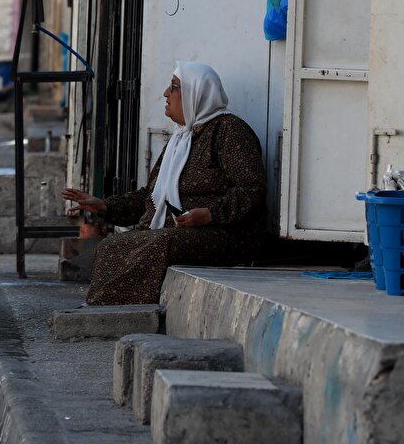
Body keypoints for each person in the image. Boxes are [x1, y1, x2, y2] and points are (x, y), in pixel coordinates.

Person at [61, 62, 266, 305]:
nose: (166, 93)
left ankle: (118, 310)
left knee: (159, 243)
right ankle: (103, 308)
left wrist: (209, 214)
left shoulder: (229, 131)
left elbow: (251, 189)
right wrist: (105, 206)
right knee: (111, 245)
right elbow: (151, 196)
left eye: (174, 87)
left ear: (195, 94)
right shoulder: (181, 137)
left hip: (222, 233)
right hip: (180, 231)